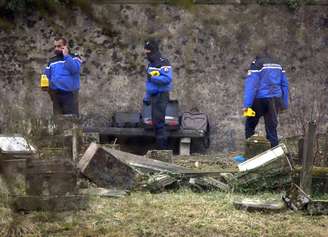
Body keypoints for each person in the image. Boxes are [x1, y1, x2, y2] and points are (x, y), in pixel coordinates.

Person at [243, 53, 289, 147]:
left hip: (259, 100)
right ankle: (274, 156)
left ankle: (250, 151)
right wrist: (284, 104)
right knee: (272, 129)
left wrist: (247, 105)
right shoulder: (278, 65)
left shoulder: (257, 64)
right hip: (275, 100)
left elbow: (251, 85)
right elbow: (284, 84)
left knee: (250, 126)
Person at [143, 39, 173, 149]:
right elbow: (149, 83)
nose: (146, 54)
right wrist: (146, 97)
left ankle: (163, 150)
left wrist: (153, 78)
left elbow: (167, 79)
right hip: (153, 96)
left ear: (152, 51)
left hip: (161, 96)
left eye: (147, 52)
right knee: (155, 123)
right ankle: (159, 148)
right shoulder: (150, 64)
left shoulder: (163, 62)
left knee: (159, 123)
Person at [44, 37, 82, 116]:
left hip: (70, 94)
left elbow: (75, 69)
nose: (56, 49)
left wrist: (66, 56)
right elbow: (47, 76)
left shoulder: (74, 57)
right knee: (58, 120)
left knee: (71, 120)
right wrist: (48, 88)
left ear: (65, 46)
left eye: (59, 46)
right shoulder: (52, 61)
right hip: (56, 94)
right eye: (55, 46)